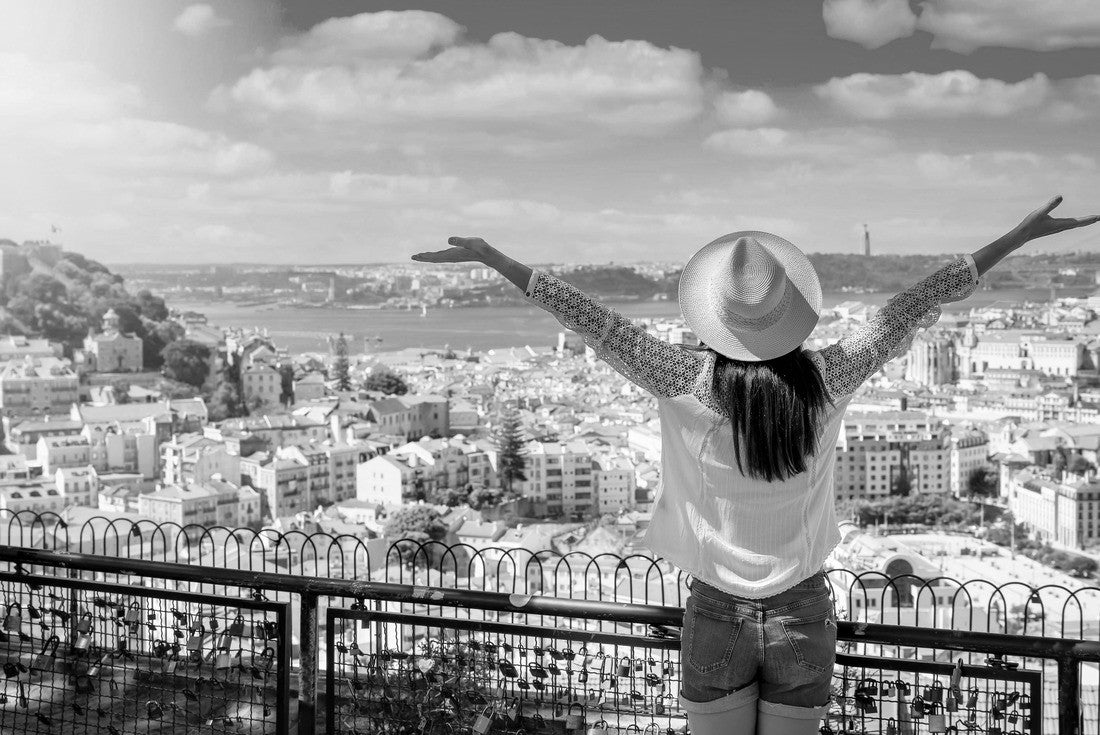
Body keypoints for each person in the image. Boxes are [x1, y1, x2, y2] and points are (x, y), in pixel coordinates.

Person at [412, 196, 1098, 735]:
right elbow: (913, 304)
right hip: (803, 607)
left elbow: (591, 319)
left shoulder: (682, 376)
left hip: (715, 609)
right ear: (790, 313)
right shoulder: (829, 378)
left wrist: (492, 256)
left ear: (717, 318)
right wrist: (1017, 237)